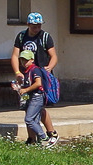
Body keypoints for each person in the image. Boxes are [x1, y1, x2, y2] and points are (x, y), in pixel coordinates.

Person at [11, 12, 59, 141]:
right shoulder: (21, 37)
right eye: (34, 26)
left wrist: (49, 67)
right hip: (27, 75)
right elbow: (15, 56)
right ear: (28, 24)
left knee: (38, 106)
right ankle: (31, 138)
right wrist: (17, 72)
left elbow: (53, 56)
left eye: (38, 26)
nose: (36, 29)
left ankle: (51, 132)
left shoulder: (45, 37)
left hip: (41, 75)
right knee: (28, 107)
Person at [14, 50, 54, 145]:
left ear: (32, 59)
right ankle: (38, 141)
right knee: (35, 119)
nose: (24, 62)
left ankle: (43, 137)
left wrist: (26, 90)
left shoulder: (35, 69)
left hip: (37, 97)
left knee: (29, 119)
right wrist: (18, 87)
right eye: (22, 60)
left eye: (26, 60)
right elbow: (27, 84)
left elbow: (38, 83)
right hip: (31, 97)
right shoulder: (26, 71)